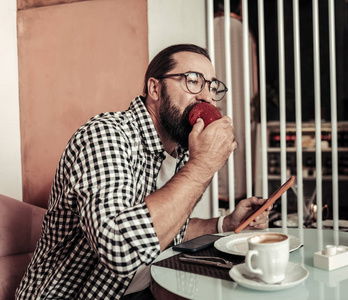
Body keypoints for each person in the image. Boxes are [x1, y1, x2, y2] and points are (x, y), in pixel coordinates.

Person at [16, 44, 271, 299]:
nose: (207, 97)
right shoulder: (106, 135)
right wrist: (202, 166)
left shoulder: (181, 154)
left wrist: (225, 224)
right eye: (193, 80)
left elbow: (166, 228)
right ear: (155, 88)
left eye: (212, 86)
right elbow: (120, 249)